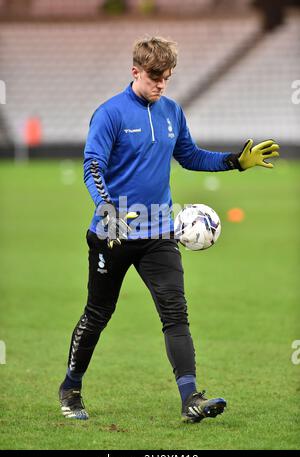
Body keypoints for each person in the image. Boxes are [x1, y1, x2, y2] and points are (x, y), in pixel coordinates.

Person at [58, 36, 279, 423]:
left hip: (160, 233)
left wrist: (234, 162)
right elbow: (92, 165)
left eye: (167, 77)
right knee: (98, 313)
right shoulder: (110, 114)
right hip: (114, 233)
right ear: (135, 72)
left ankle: (190, 398)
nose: (161, 84)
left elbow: (190, 155)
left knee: (175, 313)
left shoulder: (172, 112)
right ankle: (71, 386)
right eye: (155, 76)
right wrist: (106, 210)